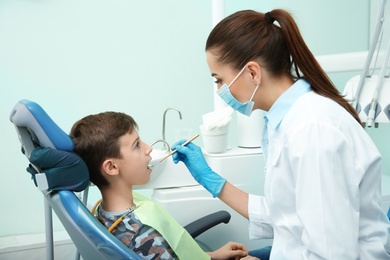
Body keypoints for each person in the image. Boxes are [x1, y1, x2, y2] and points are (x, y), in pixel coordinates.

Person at [171, 9, 390, 259]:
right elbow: (287, 216)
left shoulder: (311, 129)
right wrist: (213, 182)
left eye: (219, 80)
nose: (220, 89)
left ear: (252, 73)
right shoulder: (287, 122)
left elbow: (331, 252)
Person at [69, 111, 259, 260]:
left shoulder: (103, 212)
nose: (148, 148)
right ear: (111, 167)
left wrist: (211, 256)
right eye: (136, 145)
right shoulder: (142, 234)